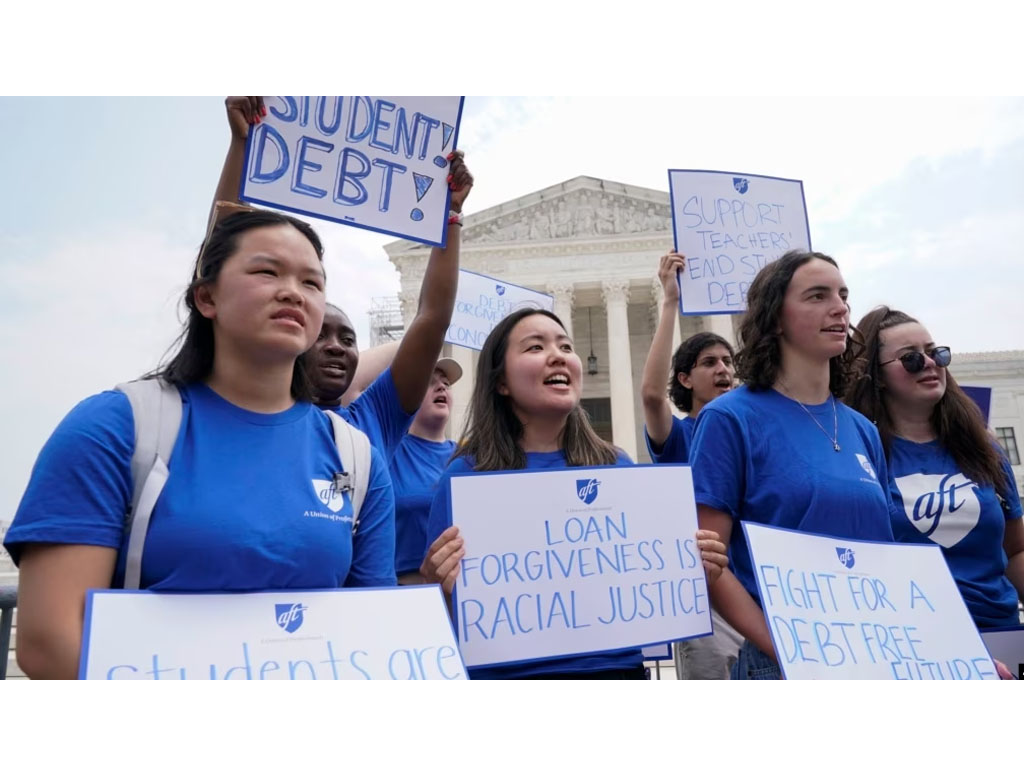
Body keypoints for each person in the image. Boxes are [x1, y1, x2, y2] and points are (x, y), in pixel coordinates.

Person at [3, 208, 397, 679]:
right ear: (206, 297)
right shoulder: (114, 426)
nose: (293, 291)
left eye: (312, 283)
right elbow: (51, 642)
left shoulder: (356, 457)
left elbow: (376, 635)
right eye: (267, 271)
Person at [420, 308, 729, 679]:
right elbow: (444, 613)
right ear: (500, 381)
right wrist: (437, 583)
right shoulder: (464, 478)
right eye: (535, 347)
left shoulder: (617, 468)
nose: (558, 354)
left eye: (566, 345)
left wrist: (694, 567)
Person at [214, 96, 474, 460]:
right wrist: (242, 146)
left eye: (348, 339)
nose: (336, 346)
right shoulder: (229, 407)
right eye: (321, 335)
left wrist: (449, 216)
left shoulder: (371, 422)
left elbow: (431, 321)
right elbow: (223, 266)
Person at [689, 250, 896, 680]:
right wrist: (789, 649)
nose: (840, 307)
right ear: (776, 318)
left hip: (875, 653)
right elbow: (709, 562)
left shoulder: (863, 430)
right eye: (817, 296)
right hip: (783, 662)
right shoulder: (729, 419)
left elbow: (890, 560)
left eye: (843, 295)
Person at [845, 306, 1024, 629]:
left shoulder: (985, 450)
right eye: (910, 358)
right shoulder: (859, 455)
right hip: (914, 640)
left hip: (1001, 635)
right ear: (877, 375)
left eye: (936, 354)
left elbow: (1015, 551)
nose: (929, 364)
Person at [639, 250, 742, 679]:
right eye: (709, 363)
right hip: (708, 596)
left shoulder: (748, 433)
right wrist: (669, 303)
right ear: (685, 378)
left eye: (728, 362)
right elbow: (649, 395)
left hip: (759, 588)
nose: (723, 370)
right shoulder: (681, 435)